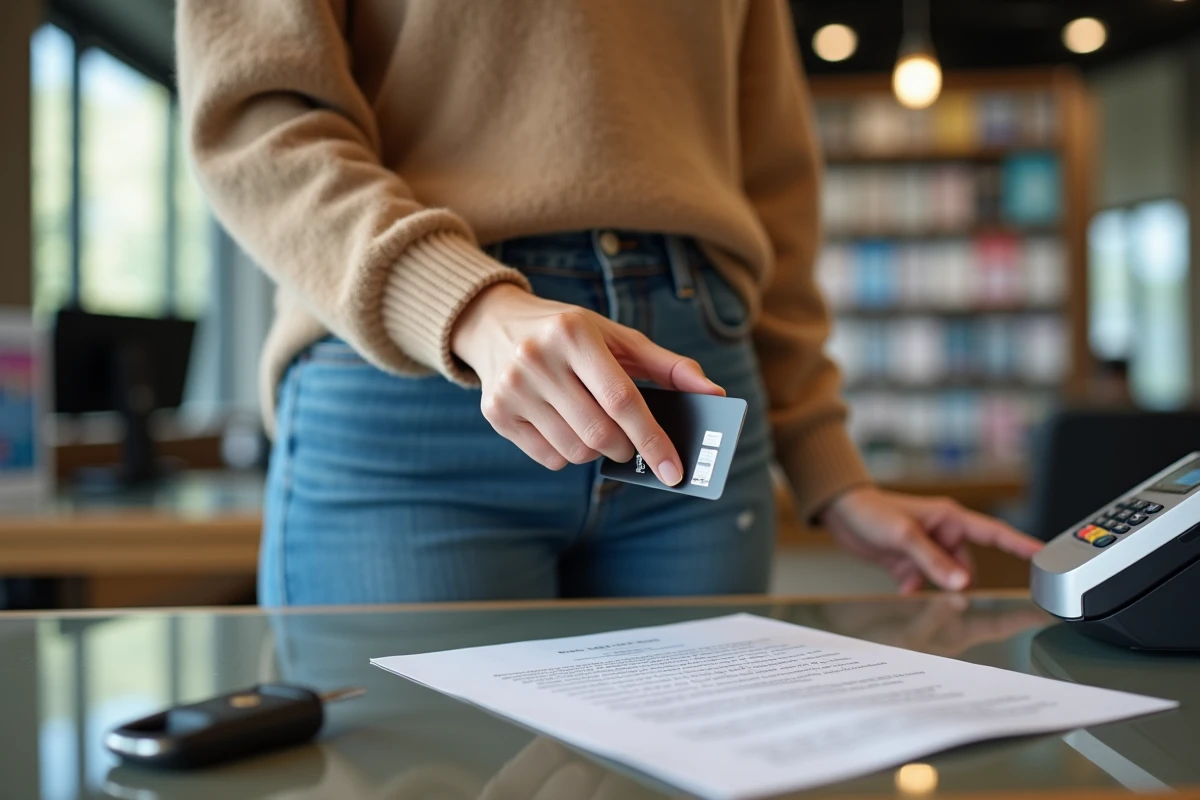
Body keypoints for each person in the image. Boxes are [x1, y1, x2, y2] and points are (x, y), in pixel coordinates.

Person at [177, 0, 1041, 606]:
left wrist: (829, 467)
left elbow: (769, 182)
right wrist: (469, 306)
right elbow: (256, 114)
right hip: (413, 387)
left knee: (690, 771)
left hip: (695, 378)